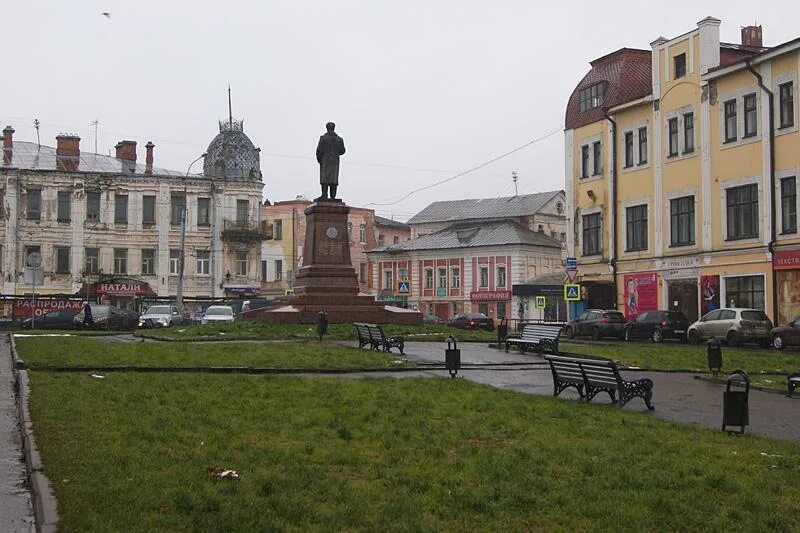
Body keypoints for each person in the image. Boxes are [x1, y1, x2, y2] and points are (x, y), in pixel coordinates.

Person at [315, 122, 346, 200]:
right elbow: (342, 151)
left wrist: (319, 159)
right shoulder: (339, 139)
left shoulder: (323, 138)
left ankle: (324, 195)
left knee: (324, 178)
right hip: (335, 162)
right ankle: (333, 196)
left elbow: (319, 150)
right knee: (334, 179)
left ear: (327, 128)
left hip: (325, 161)